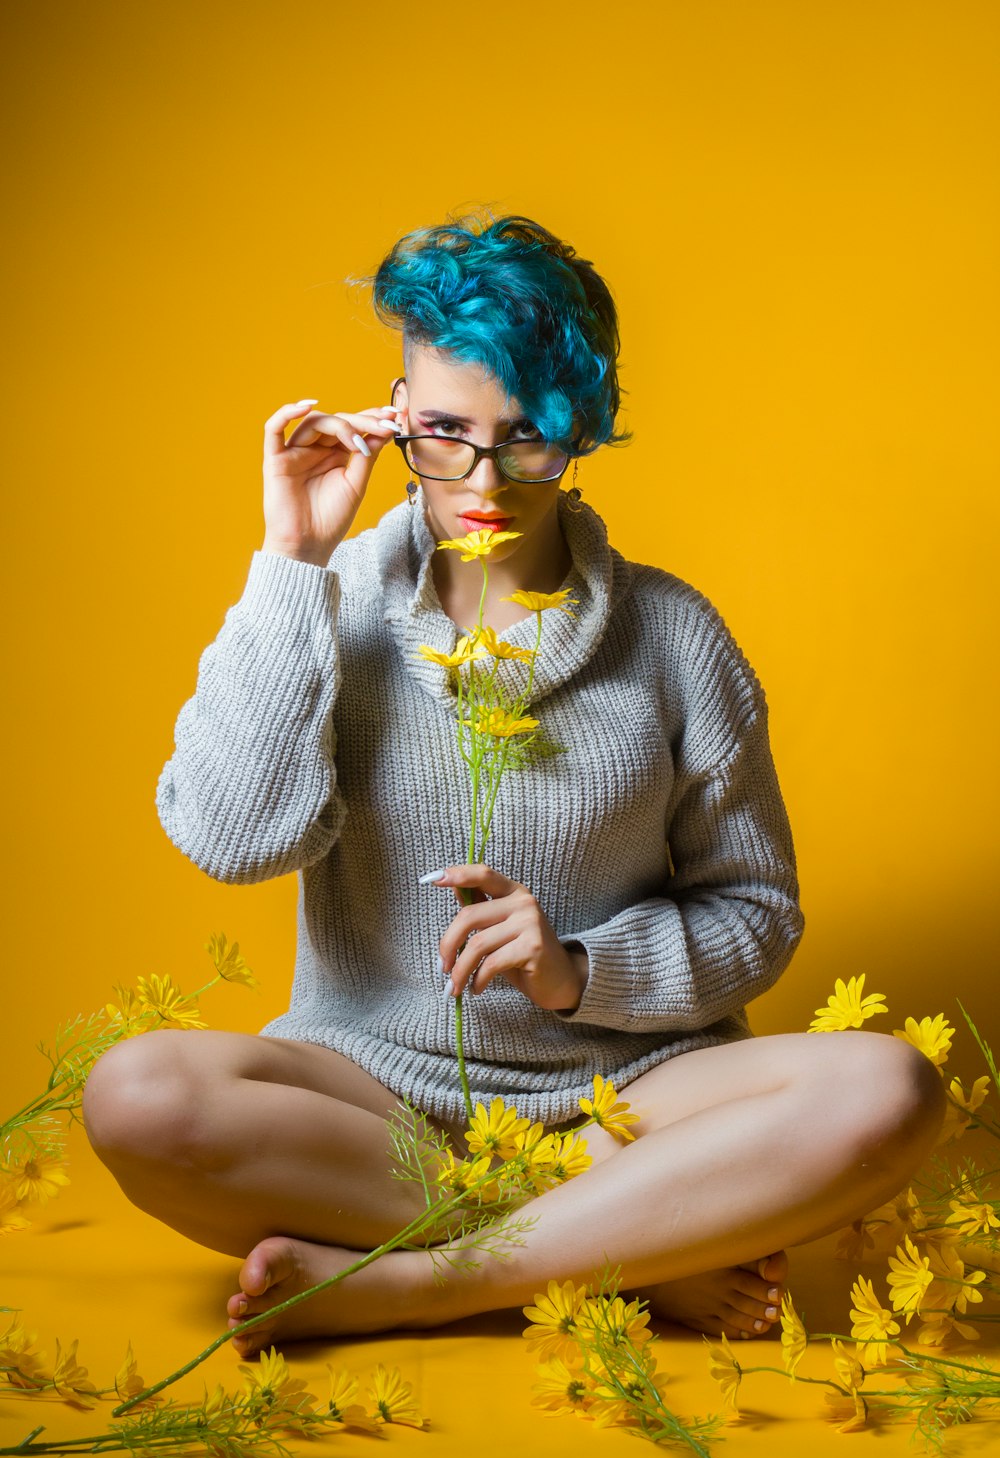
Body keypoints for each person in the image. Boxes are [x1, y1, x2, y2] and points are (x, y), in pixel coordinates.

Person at [81, 211, 946, 1359]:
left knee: (889, 1087)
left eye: (528, 436)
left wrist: (573, 970)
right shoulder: (326, 601)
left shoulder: (676, 638)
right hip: (373, 1103)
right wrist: (290, 559)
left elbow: (757, 913)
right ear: (396, 412)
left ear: (582, 428)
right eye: (444, 432)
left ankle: (431, 1284)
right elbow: (234, 839)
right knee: (136, 1094)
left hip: (625, 1106)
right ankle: (628, 1252)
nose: (482, 478)